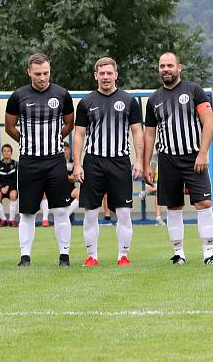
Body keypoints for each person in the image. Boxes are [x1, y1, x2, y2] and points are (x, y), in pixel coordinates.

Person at [143, 52, 213, 265]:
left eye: (169, 65)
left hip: (193, 157)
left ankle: (208, 254)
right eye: (162, 66)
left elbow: (208, 123)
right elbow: (150, 133)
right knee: (173, 206)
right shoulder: (154, 99)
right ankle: (179, 254)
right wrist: (146, 163)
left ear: (179, 67)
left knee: (204, 203)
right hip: (167, 160)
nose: (165, 69)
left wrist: (202, 152)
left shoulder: (193, 91)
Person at [71, 57, 144, 267]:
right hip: (93, 162)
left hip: (120, 162)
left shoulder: (129, 101)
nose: (105, 77)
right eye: (101, 73)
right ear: (96, 76)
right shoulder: (86, 102)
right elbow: (79, 135)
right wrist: (77, 163)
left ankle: (123, 256)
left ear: (116, 75)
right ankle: (92, 256)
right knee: (91, 212)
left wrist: (138, 160)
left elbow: (137, 131)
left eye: (109, 73)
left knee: (123, 211)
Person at [4, 53, 75, 267]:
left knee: (61, 210)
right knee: (27, 212)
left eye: (46, 73)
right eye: (38, 74)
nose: (42, 77)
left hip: (55, 161)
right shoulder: (18, 96)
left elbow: (69, 124)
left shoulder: (62, 94)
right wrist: (27, 141)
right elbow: (10, 127)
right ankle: (25, 257)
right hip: (29, 162)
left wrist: (54, 139)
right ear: (29, 72)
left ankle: (64, 256)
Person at [0, 144, 19, 227]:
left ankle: (11, 220)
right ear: (2, 153)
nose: (6, 153)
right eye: (4, 151)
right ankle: (3, 220)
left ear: (11, 153)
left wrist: (8, 187)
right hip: (1, 188)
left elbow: (16, 179)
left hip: (11, 187)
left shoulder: (16, 164)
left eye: (8, 151)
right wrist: (1, 187)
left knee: (13, 194)